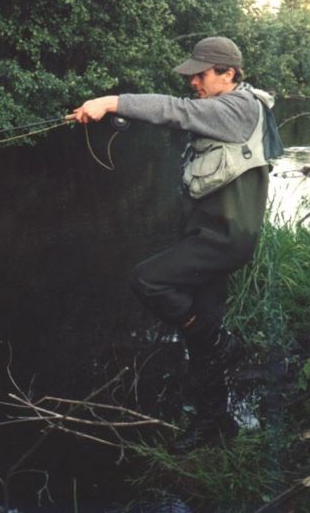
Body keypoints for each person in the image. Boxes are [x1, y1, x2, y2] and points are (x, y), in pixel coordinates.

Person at [72, 36, 283, 452]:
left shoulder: (238, 107)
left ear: (228, 73)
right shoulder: (222, 108)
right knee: (199, 337)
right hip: (206, 236)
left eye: (200, 75)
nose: (193, 82)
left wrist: (112, 102)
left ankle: (224, 344)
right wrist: (127, 117)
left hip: (223, 240)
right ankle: (215, 421)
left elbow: (177, 111)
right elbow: (178, 120)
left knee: (148, 280)